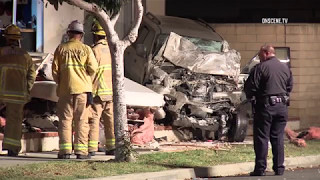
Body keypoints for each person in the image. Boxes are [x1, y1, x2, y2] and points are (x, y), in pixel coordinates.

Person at [244, 45, 293, 176]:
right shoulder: (285, 68)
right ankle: (279, 168)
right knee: (278, 138)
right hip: (282, 107)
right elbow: (289, 87)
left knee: (262, 138)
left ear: (266, 53)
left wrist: (253, 98)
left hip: (265, 108)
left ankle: (260, 169)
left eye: (260, 54)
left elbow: (250, 87)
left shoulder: (260, 68)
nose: (259, 57)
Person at [52, 20, 98, 159]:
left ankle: (65, 151)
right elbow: (93, 69)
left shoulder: (61, 48)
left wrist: (62, 83)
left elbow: (55, 71)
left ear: (68, 33)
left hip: (66, 90)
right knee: (81, 120)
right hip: (82, 91)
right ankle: (81, 152)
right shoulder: (86, 49)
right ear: (81, 35)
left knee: (65, 120)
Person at [0, 24, 36, 156]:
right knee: (14, 122)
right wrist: (26, 89)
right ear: (18, 39)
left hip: (1, 93)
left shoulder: (1, 53)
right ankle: (12, 148)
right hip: (18, 95)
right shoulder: (25, 55)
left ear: (6, 39)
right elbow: (32, 75)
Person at [88, 21, 115, 156]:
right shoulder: (113, 49)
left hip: (98, 93)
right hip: (111, 93)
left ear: (95, 36)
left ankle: (92, 148)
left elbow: (91, 72)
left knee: (94, 120)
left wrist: (89, 92)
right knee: (110, 121)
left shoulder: (94, 50)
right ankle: (112, 147)